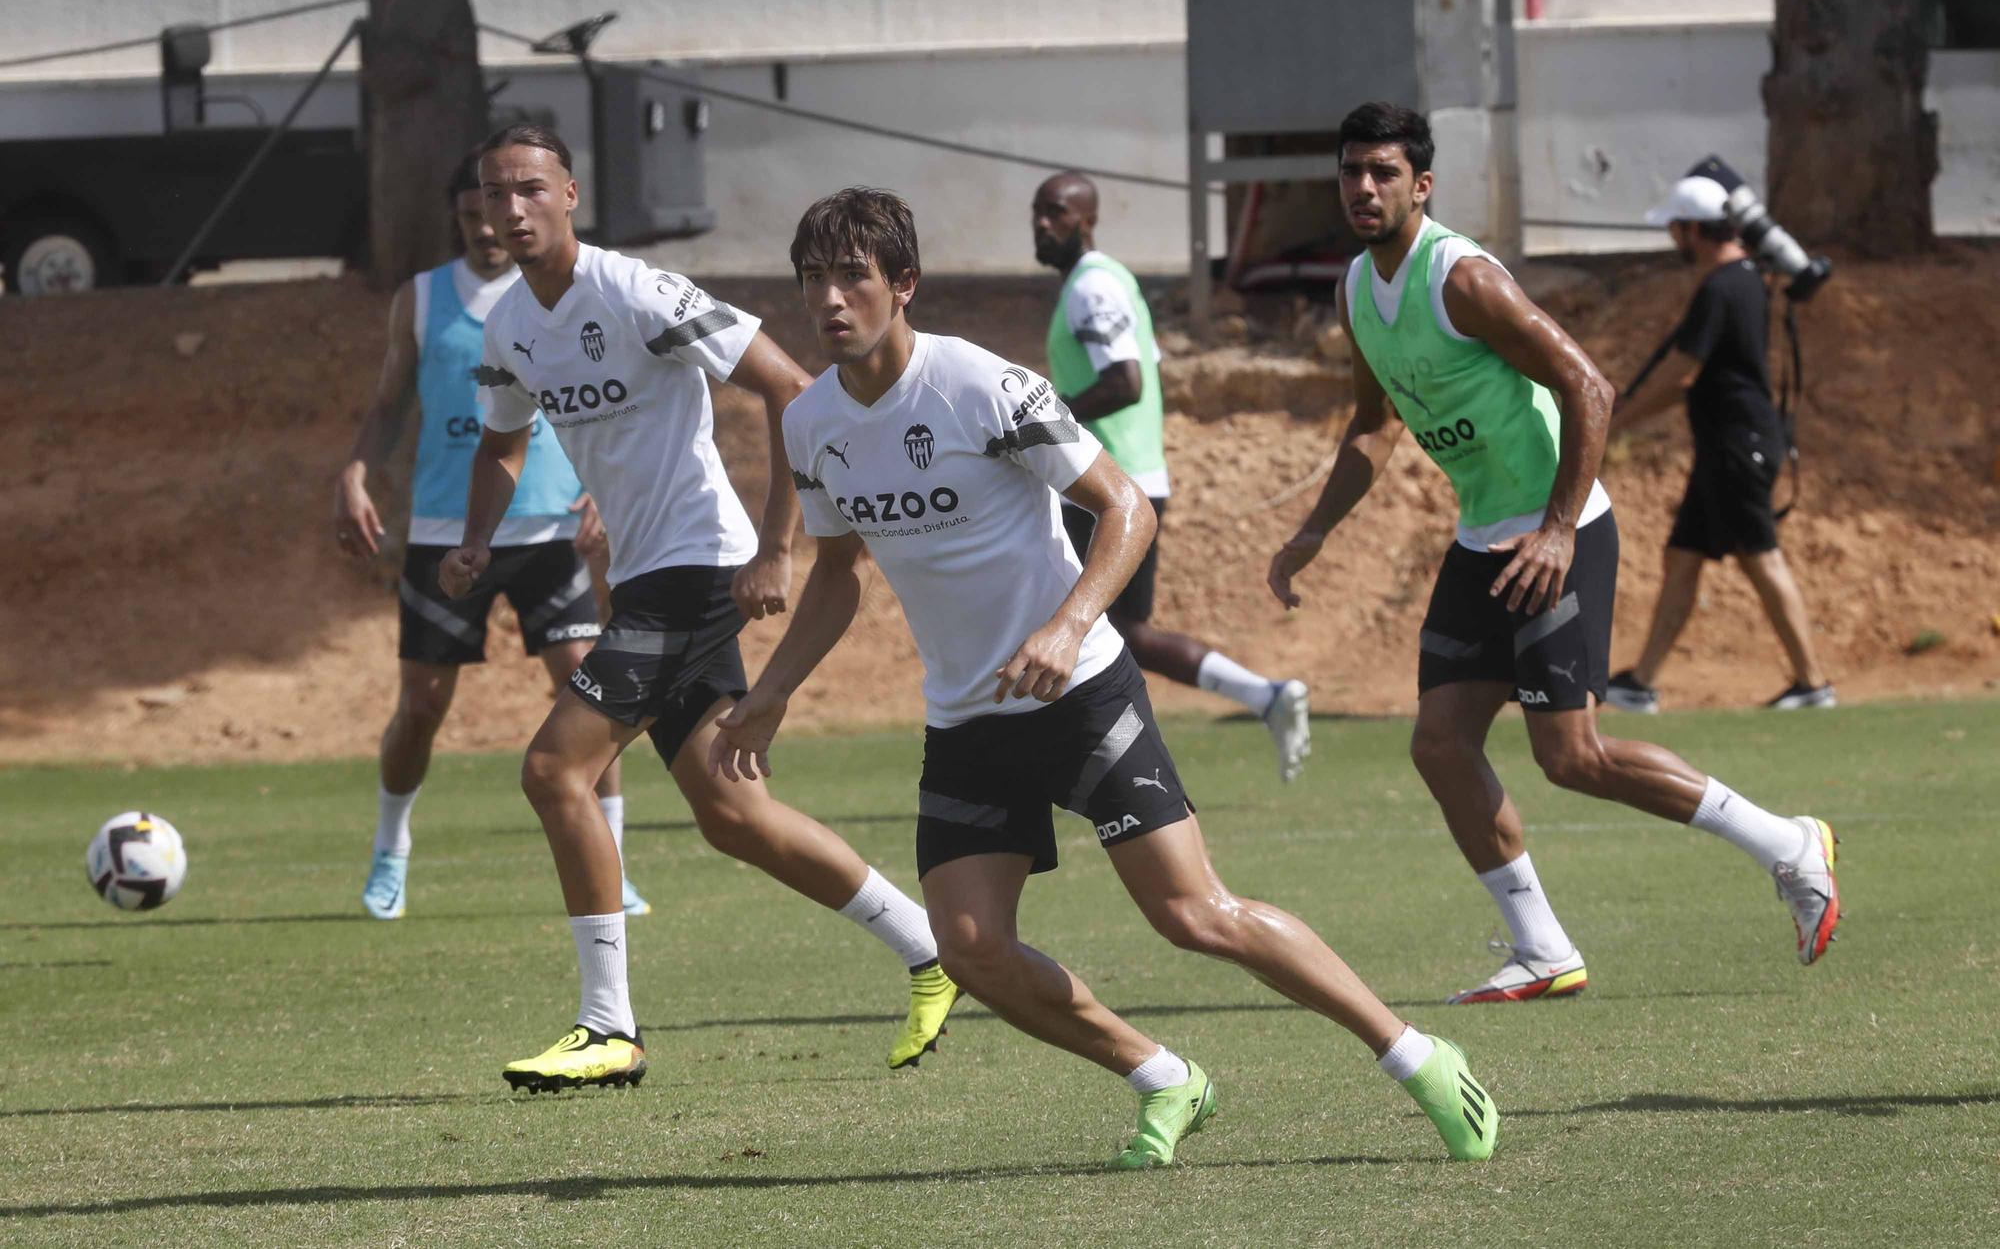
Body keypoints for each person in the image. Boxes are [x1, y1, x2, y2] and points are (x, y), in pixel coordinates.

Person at [711, 186, 1498, 1169]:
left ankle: (1415, 1051)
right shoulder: (811, 422)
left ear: (901, 285)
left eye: (851, 277)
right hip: (966, 718)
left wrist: (1067, 621)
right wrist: (773, 688)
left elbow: (1125, 505)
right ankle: (1162, 1073)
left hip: (1079, 688)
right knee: (969, 945)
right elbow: (836, 573)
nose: (828, 299)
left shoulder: (981, 387)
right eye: (812, 280)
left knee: (1191, 913)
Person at [1265, 104, 1841, 1004]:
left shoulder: (1462, 278)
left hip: (1559, 531)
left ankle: (1787, 844)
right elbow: (1374, 427)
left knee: (1572, 756)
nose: (1364, 188)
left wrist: (1561, 528)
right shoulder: (1353, 291)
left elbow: (1588, 385)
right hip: (1483, 537)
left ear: (1422, 186)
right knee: (1440, 744)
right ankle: (1541, 949)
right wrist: (1314, 528)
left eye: (1383, 173)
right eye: (1351, 172)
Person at [442, 126, 958, 1091]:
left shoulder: (636, 292)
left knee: (556, 771)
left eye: (527, 191)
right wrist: (475, 539)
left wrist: (777, 544)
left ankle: (608, 1027)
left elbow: (789, 389)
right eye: (490, 196)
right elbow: (501, 449)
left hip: (695, 566)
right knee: (733, 816)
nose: (507, 211)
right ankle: (932, 949)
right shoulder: (509, 327)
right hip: (644, 576)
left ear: (569, 195)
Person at [334, 152, 649, 922]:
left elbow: (624, 398)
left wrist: (603, 492)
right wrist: (353, 473)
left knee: (585, 684)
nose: (488, 227)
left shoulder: (562, 296)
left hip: (549, 529)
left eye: (499, 209)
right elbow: (388, 403)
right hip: (447, 531)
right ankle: (391, 851)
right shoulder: (420, 299)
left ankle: (613, 862)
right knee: (423, 704)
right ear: (461, 217)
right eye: (474, 212)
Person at [1031, 172, 1312, 781]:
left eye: (1055, 212)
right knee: (1116, 631)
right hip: (1127, 480)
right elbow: (1146, 365)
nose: (1041, 224)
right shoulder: (1113, 282)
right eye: (1037, 212)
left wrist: (1039, 424)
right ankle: (1260, 698)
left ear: (1086, 220)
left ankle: (1081, 763)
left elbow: (1125, 380)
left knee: (1081, 625)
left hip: (1104, 487)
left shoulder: (1092, 288)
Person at [1603, 174, 1835, 713]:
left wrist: (1619, 420)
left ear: (1692, 230)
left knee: (1761, 559)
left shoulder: (1722, 286)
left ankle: (1813, 682)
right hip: (1727, 446)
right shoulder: (1744, 278)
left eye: (1674, 229)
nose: (1671, 239)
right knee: (1682, 557)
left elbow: (1683, 372)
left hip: (1737, 445)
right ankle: (1640, 683)